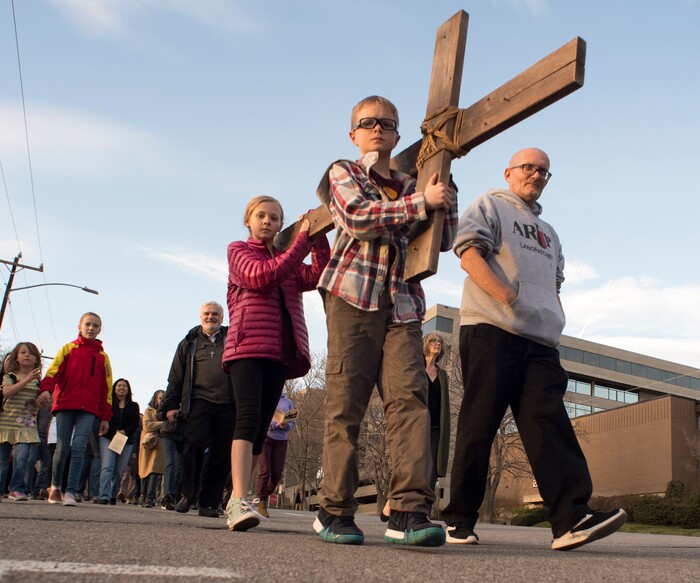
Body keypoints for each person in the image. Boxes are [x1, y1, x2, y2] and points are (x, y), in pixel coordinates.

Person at [442, 147, 626, 550]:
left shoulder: (550, 232)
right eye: (528, 167)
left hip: (540, 340)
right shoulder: (489, 204)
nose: (536, 174)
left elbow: (555, 282)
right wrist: (507, 296)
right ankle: (458, 519)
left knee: (549, 422)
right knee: (479, 423)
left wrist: (552, 314)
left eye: (543, 170)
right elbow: (468, 251)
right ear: (508, 172)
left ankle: (571, 518)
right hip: (491, 328)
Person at [314, 95, 458, 547]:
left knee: (411, 401)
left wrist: (446, 193)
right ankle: (334, 510)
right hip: (352, 297)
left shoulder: (414, 180)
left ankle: (409, 510)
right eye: (368, 123)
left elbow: (444, 239)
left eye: (387, 124)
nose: (378, 129)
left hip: (403, 304)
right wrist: (420, 203)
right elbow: (357, 218)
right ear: (353, 133)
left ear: (398, 135)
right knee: (346, 403)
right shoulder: (344, 171)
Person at [223, 195, 329, 531]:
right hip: (248, 347)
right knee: (248, 417)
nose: (267, 222)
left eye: (274, 218)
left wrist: (319, 237)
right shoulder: (239, 250)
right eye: (261, 216)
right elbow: (260, 276)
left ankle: (239, 497)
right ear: (248, 221)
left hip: (280, 350)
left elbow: (317, 275)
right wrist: (301, 242)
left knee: (258, 429)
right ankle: (239, 498)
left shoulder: (288, 262)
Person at [158, 301, 235, 518]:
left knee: (221, 454)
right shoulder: (188, 343)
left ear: (222, 317)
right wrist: (170, 406)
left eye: (215, 314)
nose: (211, 317)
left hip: (228, 404)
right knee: (193, 447)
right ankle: (187, 495)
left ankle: (209, 502)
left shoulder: (232, 339)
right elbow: (175, 377)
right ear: (201, 317)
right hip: (198, 401)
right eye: (207, 314)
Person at [39, 312, 112, 506]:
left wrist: (105, 416)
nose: (91, 328)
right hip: (65, 405)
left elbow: (107, 388)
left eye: (95, 326)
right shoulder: (68, 349)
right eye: (88, 324)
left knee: (79, 447)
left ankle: (71, 491)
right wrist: (46, 390)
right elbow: (53, 371)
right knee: (62, 448)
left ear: (100, 330)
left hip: (88, 410)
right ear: (79, 326)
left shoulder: (103, 357)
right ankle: (55, 487)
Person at [381, 331, 451, 521]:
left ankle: (423, 512)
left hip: (437, 427)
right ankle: (392, 501)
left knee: (432, 470)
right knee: (410, 466)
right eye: (434, 341)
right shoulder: (415, 369)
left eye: (440, 342)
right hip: (416, 425)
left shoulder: (443, 375)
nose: (438, 344)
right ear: (426, 344)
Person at [0, 342, 45, 500]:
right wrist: (27, 380)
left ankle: (17, 489)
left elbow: (44, 401)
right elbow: (7, 392)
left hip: (26, 426)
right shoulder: (10, 376)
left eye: (31, 353)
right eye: (23, 352)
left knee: (22, 458)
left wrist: (43, 399)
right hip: (6, 424)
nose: (27, 355)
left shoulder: (39, 382)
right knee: (2, 462)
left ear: (36, 359)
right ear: (16, 358)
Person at [96, 379, 140, 505]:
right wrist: (115, 431)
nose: (122, 388)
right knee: (107, 467)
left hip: (126, 441)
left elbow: (135, 424)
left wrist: (124, 432)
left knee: (119, 470)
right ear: (114, 389)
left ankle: (112, 494)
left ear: (128, 389)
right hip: (108, 438)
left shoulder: (134, 406)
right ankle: (104, 495)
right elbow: (104, 418)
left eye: (124, 386)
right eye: (119, 385)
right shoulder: (109, 404)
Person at [255, 393, 296, 517]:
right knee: (265, 470)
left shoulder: (288, 402)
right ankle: (262, 502)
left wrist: (286, 425)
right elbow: (261, 418)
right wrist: (274, 425)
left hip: (281, 441)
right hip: (266, 438)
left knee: (277, 474)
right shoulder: (267, 397)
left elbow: (293, 423)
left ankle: (263, 495)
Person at [138, 390, 165, 508]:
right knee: (144, 471)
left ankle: (150, 497)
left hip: (159, 443)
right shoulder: (148, 410)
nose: (162, 401)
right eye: (160, 398)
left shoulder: (165, 412)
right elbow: (147, 425)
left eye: (164, 398)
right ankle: (142, 496)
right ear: (155, 399)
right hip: (147, 442)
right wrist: (162, 423)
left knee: (154, 470)